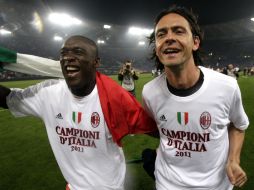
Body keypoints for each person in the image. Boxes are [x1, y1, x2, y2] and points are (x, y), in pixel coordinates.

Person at [0, 35, 158, 190]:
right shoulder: (48, 93)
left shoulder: (115, 97)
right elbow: (9, 99)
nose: (68, 57)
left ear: (96, 62)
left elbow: (156, 129)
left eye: (77, 52)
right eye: (63, 53)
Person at [142, 5, 249, 190]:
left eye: (178, 31)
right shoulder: (149, 92)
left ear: (195, 43)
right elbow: (157, 129)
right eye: (161, 34)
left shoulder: (227, 87)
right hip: (167, 184)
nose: (169, 38)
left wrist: (233, 160)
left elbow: (238, 126)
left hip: (216, 185)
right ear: (157, 47)